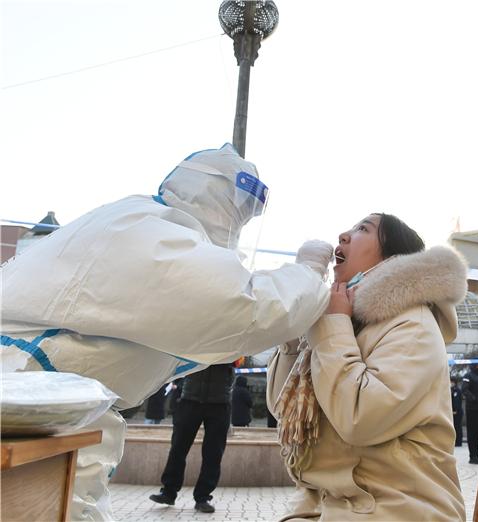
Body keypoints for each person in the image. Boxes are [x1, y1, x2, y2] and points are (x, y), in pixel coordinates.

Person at [0, 145, 332, 521]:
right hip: (27, 397)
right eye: (240, 211)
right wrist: (307, 273)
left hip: (41, 404)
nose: (240, 224)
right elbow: (244, 311)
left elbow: (212, 339)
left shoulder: (147, 223)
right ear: (218, 196)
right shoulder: (147, 233)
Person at [266, 213, 467, 521]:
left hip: (398, 507)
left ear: (393, 257)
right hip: (328, 505)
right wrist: (295, 327)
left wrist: (333, 325)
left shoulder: (414, 324)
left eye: (363, 229)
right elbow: (284, 408)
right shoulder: (347, 319)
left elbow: (359, 418)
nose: (343, 236)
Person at [149, 364, 235, 513]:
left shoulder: (230, 341)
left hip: (220, 402)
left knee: (213, 454)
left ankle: (203, 497)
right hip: (190, 398)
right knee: (178, 448)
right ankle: (168, 492)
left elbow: (240, 357)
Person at [451, 375, 464, 447]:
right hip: (453, 411)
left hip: (457, 412)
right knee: (454, 427)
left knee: (457, 426)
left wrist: (455, 410)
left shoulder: (456, 390)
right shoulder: (452, 390)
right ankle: (456, 441)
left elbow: (456, 402)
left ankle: (459, 442)